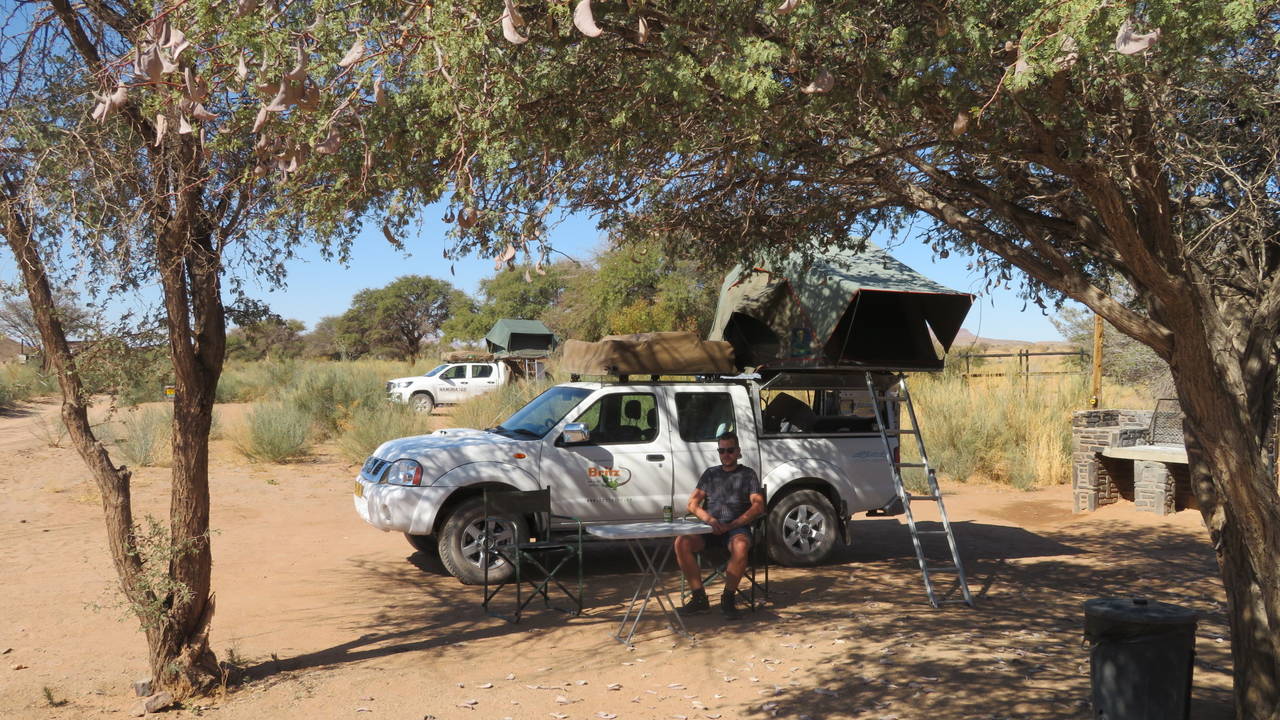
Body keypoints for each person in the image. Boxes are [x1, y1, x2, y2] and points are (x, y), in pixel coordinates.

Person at [674, 432, 765, 619]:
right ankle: (699, 598)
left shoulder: (748, 474)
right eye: (722, 450)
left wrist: (733, 524)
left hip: (736, 528)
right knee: (681, 542)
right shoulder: (710, 474)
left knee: (740, 546)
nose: (726, 454)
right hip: (710, 528)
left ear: (738, 451)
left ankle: (728, 599)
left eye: (730, 450)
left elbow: (758, 505)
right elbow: (692, 504)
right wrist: (711, 520)